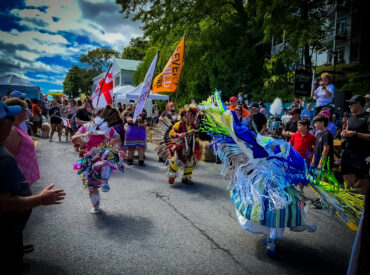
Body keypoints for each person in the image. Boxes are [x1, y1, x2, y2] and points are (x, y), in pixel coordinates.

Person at [0, 100, 65, 273]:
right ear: (3, 124)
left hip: (16, 198)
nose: (26, 112)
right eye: (9, 118)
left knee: (14, 237)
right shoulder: (4, 157)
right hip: (10, 215)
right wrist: (40, 199)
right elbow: (5, 203)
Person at [72, 107, 121, 213]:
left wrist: (108, 142)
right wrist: (84, 136)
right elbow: (74, 139)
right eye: (99, 115)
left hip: (104, 156)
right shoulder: (86, 127)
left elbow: (118, 138)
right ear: (92, 117)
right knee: (91, 185)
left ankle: (105, 180)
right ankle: (96, 206)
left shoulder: (108, 128)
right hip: (89, 158)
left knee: (107, 157)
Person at [3, 98, 40, 186]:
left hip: (24, 180)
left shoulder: (17, 127)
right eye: (25, 110)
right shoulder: (12, 131)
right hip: (18, 182)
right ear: (16, 112)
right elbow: (9, 159)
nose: (26, 112)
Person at [341, 95, 370, 194]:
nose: (349, 106)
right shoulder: (350, 118)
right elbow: (346, 133)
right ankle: (348, 201)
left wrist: (356, 134)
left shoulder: (368, 117)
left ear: (358, 104)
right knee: (347, 176)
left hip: (362, 154)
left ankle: (363, 205)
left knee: (364, 180)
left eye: (351, 104)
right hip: (349, 152)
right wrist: (344, 132)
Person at [167, 108, 201, 185]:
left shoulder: (193, 126)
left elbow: (195, 136)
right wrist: (179, 134)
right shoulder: (179, 124)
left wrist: (197, 147)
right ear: (188, 116)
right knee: (176, 160)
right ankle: (171, 176)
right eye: (192, 116)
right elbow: (171, 133)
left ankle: (186, 178)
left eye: (194, 117)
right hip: (180, 146)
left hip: (190, 146)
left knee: (190, 161)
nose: (194, 118)